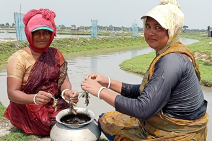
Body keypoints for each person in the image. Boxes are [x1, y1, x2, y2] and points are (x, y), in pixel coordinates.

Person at [81, 0, 209, 140]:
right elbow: (146, 92)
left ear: (172, 30)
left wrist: (100, 91)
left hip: (176, 134)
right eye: (148, 26)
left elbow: (143, 109)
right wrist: (107, 82)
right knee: (107, 118)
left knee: (105, 121)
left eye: (158, 27)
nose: (150, 32)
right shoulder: (172, 52)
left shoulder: (171, 61)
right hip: (172, 125)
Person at [4, 8, 79, 136]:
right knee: (53, 127)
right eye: (36, 33)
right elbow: (12, 93)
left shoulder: (56, 54)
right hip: (28, 106)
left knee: (79, 120)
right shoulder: (18, 58)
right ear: (29, 33)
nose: (42, 37)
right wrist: (34, 98)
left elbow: (64, 81)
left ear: (52, 34)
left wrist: (67, 92)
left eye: (46, 32)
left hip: (54, 103)